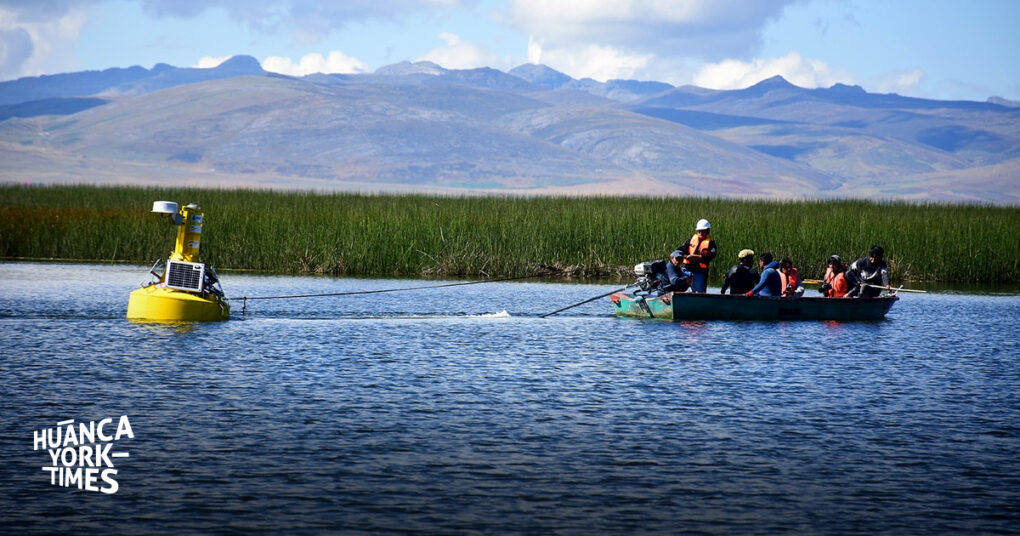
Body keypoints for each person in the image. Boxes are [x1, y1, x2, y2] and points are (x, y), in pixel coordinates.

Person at [673, 218, 717, 293]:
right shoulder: (690, 240)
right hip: (686, 270)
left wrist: (697, 257)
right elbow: (682, 248)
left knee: (699, 292)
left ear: (708, 231)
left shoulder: (711, 244)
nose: (700, 233)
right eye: (699, 231)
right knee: (676, 285)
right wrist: (681, 255)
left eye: (703, 231)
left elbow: (711, 255)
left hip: (700, 272)